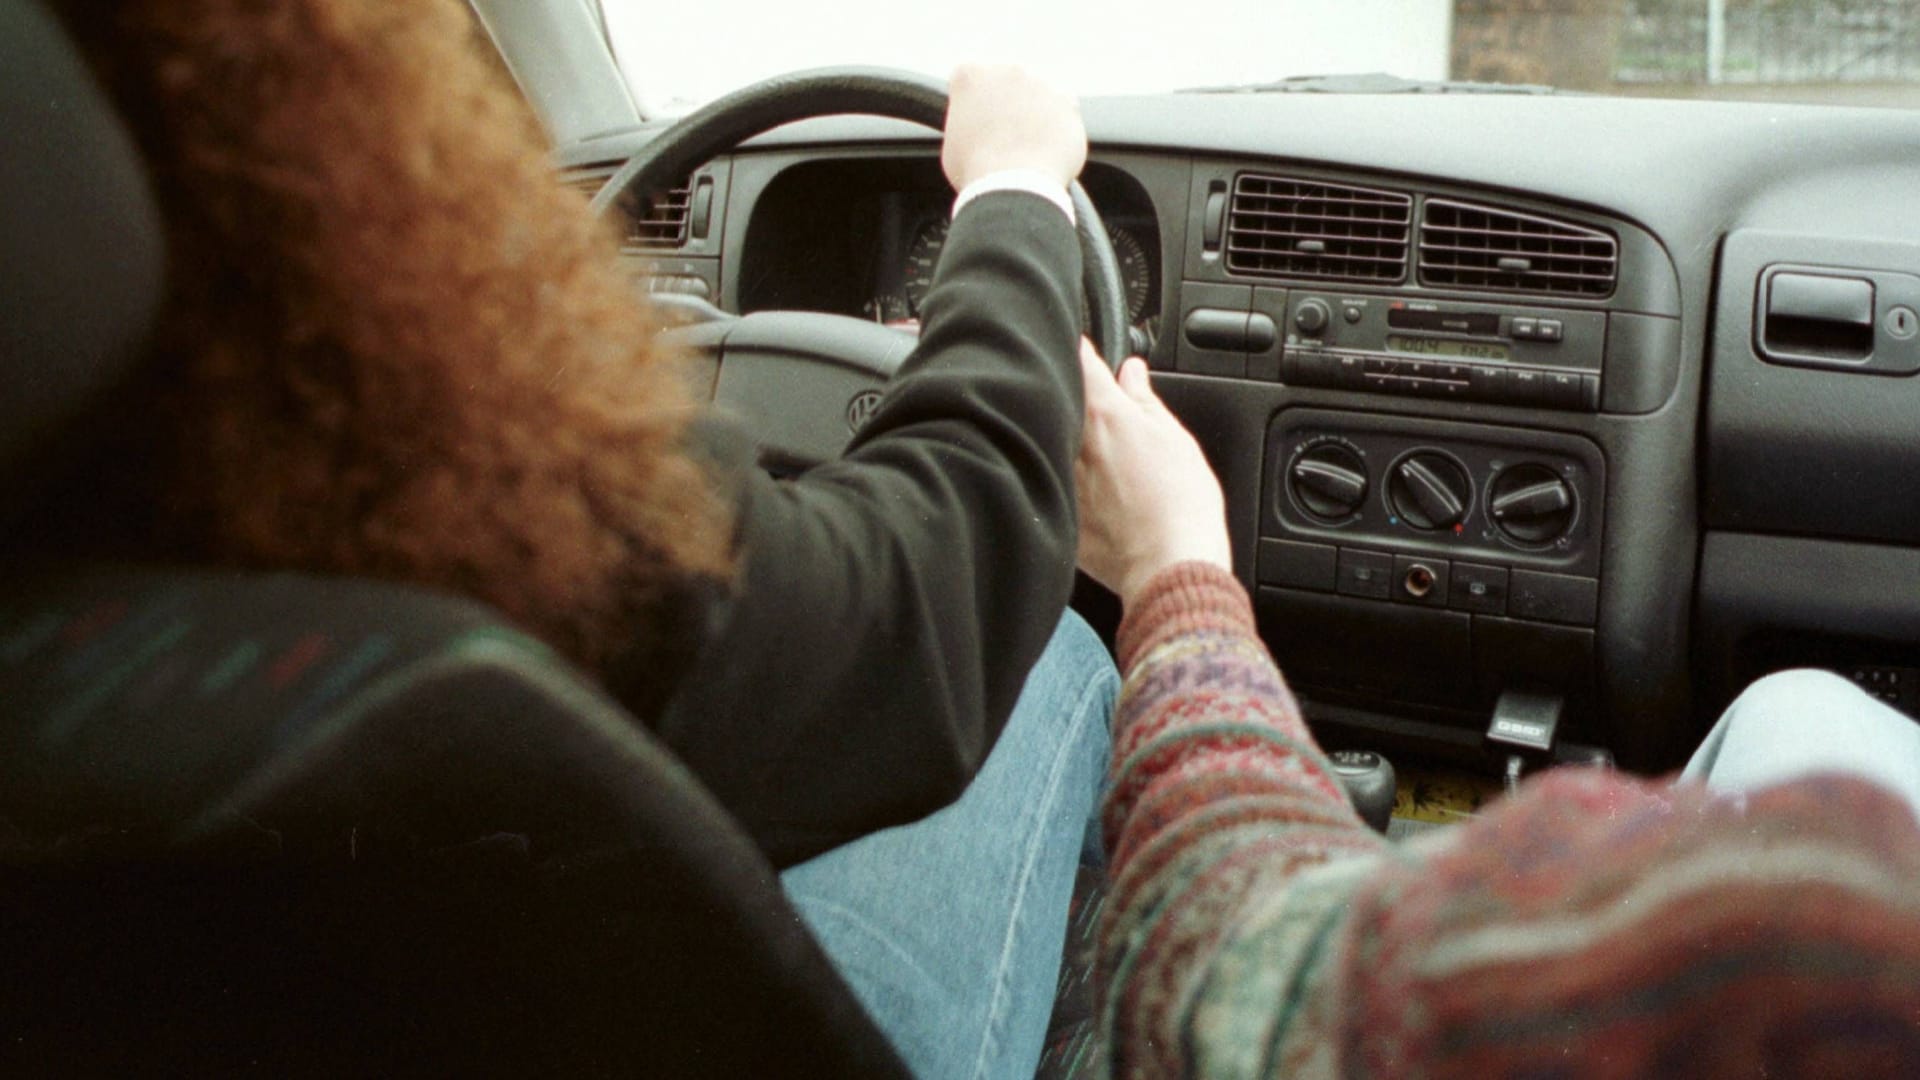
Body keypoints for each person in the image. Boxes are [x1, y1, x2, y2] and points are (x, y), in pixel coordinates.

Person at [37, 2, 1113, 1076]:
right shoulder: (436, 494)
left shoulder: (109, 538)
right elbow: (917, 614)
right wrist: (1015, 186)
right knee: (1054, 653)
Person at [1074, 341, 1920, 1074]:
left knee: (1068, 668)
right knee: (1794, 705)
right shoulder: (1855, 891)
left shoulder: (1827, 941)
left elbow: (1234, 963)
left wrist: (1170, 563)